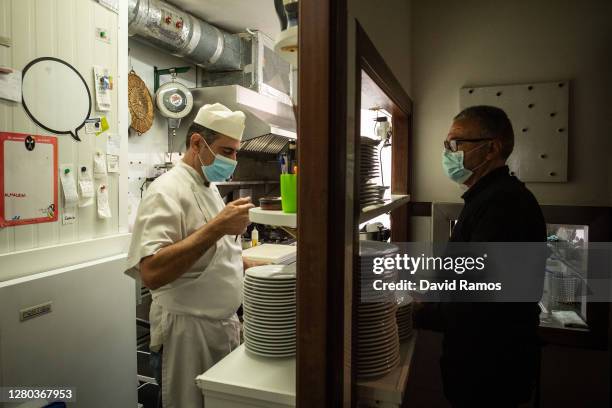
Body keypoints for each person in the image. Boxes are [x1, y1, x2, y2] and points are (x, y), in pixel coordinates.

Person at [126, 103, 259, 408]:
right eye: (227, 151)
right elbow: (152, 272)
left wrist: (247, 267)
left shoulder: (208, 187)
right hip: (186, 335)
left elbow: (212, 251)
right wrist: (218, 227)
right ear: (197, 143)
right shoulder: (166, 190)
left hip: (220, 328)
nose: (233, 161)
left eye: (236, 152)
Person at [415, 105, 546, 407]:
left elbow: (479, 302)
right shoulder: (489, 197)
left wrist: (419, 314)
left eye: (457, 143)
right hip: (483, 365)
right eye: (447, 145)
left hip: (491, 373)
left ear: (492, 149)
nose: (448, 152)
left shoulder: (504, 206)